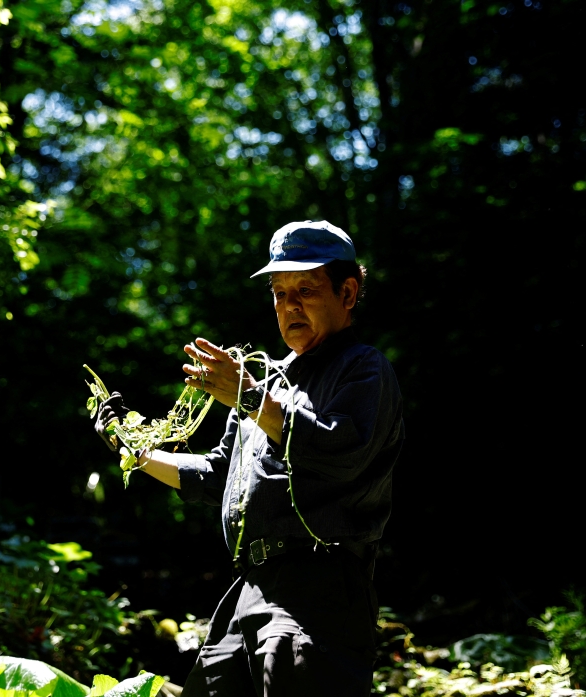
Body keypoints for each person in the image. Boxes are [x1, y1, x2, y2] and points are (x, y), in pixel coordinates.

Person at [93, 220, 404, 696]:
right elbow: (217, 475)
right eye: (279, 293)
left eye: (305, 288)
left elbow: (342, 451)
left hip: (320, 589)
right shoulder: (269, 385)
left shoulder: (363, 369)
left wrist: (250, 397)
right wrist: (132, 448)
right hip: (249, 589)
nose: (289, 304)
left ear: (347, 293)